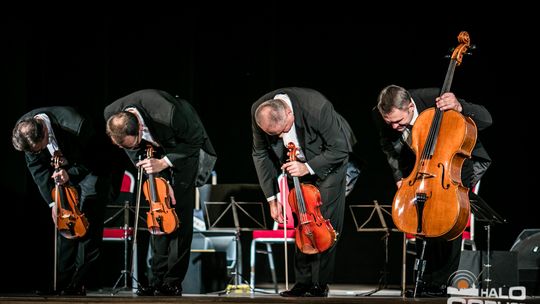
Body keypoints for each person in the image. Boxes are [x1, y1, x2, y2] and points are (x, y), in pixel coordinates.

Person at [373, 85, 492, 297]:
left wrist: (459, 106)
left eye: (398, 121)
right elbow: (388, 147)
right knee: (420, 219)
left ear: (410, 106)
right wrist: (399, 178)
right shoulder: (382, 115)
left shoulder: (433, 98)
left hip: (453, 166)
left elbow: (486, 119)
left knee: (446, 219)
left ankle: (441, 283)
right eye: (389, 122)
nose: (393, 126)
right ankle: (424, 281)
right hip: (418, 167)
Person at [104, 89, 216, 296]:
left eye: (133, 142)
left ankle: (172, 281)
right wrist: (154, 173)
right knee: (158, 216)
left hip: (182, 149)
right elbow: (132, 150)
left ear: (138, 129)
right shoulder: (111, 115)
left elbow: (195, 141)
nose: (130, 147)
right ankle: (156, 279)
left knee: (179, 220)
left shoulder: (169, 113)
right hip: (152, 154)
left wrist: (165, 162)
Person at [251, 87, 358, 297]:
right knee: (303, 217)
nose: (280, 137)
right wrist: (272, 199)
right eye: (274, 135)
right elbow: (260, 154)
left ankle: (320, 283)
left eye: (283, 131)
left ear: (289, 113)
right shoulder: (259, 111)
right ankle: (302, 282)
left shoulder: (317, 107)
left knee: (323, 221)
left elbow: (339, 148)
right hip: (294, 161)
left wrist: (307, 167)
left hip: (329, 160)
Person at [12, 106, 115, 296]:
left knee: (86, 224)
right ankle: (61, 282)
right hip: (65, 171)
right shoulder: (24, 131)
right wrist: (54, 203)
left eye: (41, 148)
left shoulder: (76, 125)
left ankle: (79, 282)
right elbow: (38, 171)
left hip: (92, 169)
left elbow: (98, 158)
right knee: (66, 223)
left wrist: (70, 173)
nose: (39, 152)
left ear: (43, 131)